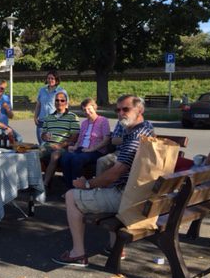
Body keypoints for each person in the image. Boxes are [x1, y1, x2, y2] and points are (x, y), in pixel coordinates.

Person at [53, 95, 155, 268]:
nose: (120, 113)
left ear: (140, 110)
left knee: (71, 196)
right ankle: (116, 247)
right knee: (106, 185)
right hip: (143, 194)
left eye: (125, 109)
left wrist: (87, 184)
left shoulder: (135, 136)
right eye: (118, 110)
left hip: (127, 197)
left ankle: (78, 253)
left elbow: (115, 173)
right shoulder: (147, 128)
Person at [53, 98, 111, 189]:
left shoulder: (103, 121)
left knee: (77, 159)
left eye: (89, 109)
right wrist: (75, 147)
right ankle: (69, 188)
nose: (87, 112)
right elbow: (80, 138)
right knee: (65, 157)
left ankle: (77, 188)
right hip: (82, 149)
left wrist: (92, 149)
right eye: (84, 110)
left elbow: (106, 139)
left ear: (94, 108)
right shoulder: (84, 123)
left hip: (96, 151)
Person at [40, 91, 80, 186]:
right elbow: (43, 134)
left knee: (55, 156)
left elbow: (74, 137)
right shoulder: (49, 117)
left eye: (62, 100)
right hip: (48, 145)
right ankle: (33, 182)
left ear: (66, 102)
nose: (59, 102)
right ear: (54, 102)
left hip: (64, 147)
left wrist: (60, 145)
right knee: (33, 154)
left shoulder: (72, 117)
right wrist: (44, 136)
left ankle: (45, 184)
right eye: (57, 100)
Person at [34, 70, 65, 143]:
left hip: (55, 122)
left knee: (52, 145)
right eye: (48, 78)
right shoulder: (42, 90)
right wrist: (35, 117)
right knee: (42, 145)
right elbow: (38, 105)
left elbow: (65, 107)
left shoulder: (61, 91)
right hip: (42, 122)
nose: (50, 80)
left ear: (56, 80)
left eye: (52, 78)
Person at [0, 79, 21, 145]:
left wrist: (7, 108)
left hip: (4, 126)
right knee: (5, 141)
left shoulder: (6, 98)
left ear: (4, 89)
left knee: (19, 139)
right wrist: (6, 128)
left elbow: (11, 116)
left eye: (2, 88)